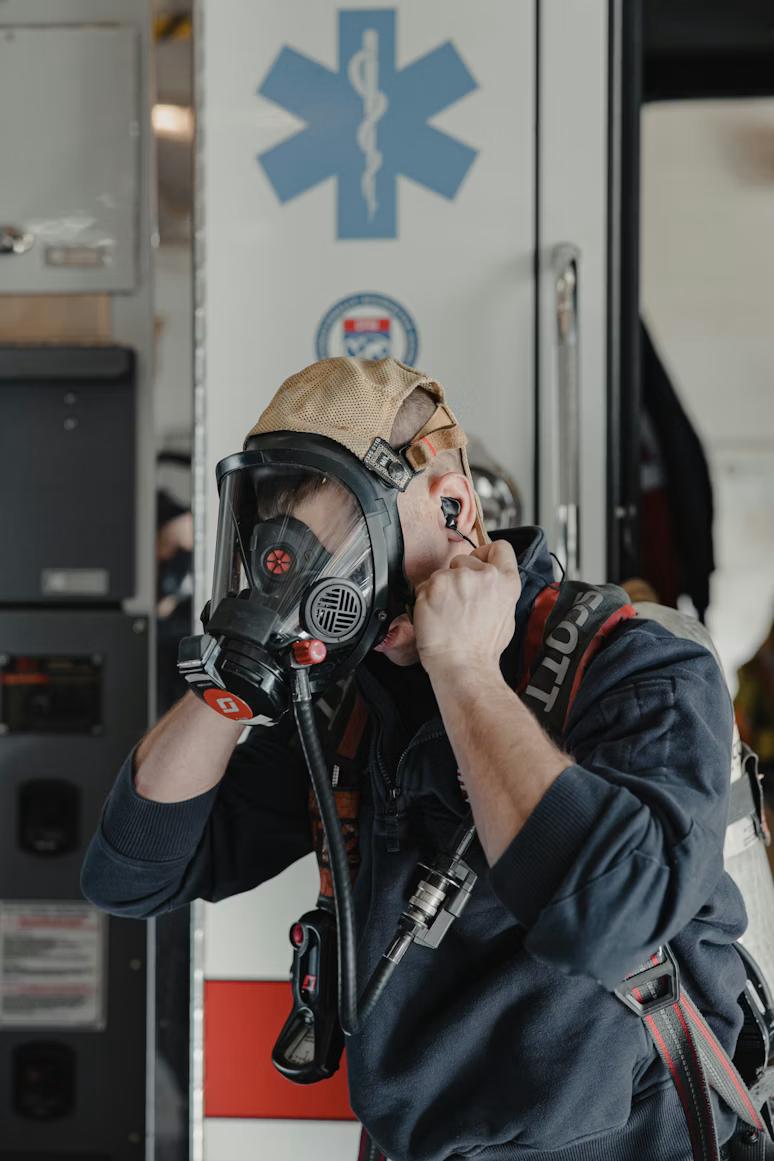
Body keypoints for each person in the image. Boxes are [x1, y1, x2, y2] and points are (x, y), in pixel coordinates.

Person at [82, 358, 748, 1161]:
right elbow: (133, 872)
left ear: (454, 505)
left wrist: (464, 670)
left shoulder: (632, 663)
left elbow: (611, 917)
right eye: (307, 560)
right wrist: (239, 671)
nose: (340, 591)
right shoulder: (347, 708)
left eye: (355, 549)